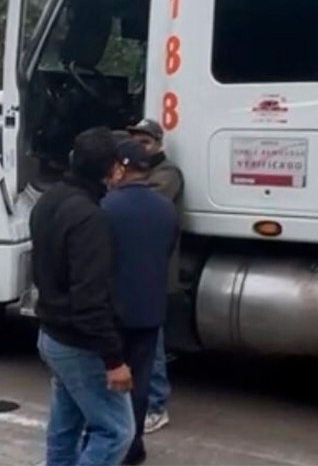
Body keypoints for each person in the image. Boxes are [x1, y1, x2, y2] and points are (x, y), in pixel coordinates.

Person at [32, 127, 133, 466]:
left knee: (66, 425)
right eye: (119, 163)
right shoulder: (91, 219)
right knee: (116, 431)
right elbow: (90, 299)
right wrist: (113, 360)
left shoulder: (50, 199)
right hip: (79, 344)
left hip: (53, 335)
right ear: (110, 170)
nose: (123, 170)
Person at [102, 140, 178, 465]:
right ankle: (135, 447)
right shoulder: (165, 208)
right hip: (150, 311)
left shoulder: (106, 207)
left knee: (109, 385)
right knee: (141, 385)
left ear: (121, 167)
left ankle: (115, 445)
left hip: (115, 312)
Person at [125, 118, 184, 434]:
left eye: (145, 141)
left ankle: (157, 404)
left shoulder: (168, 175)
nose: (140, 146)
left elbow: (145, 200)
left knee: (153, 345)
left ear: (158, 144)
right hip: (143, 269)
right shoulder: (149, 174)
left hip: (156, 272)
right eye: (135, 141)